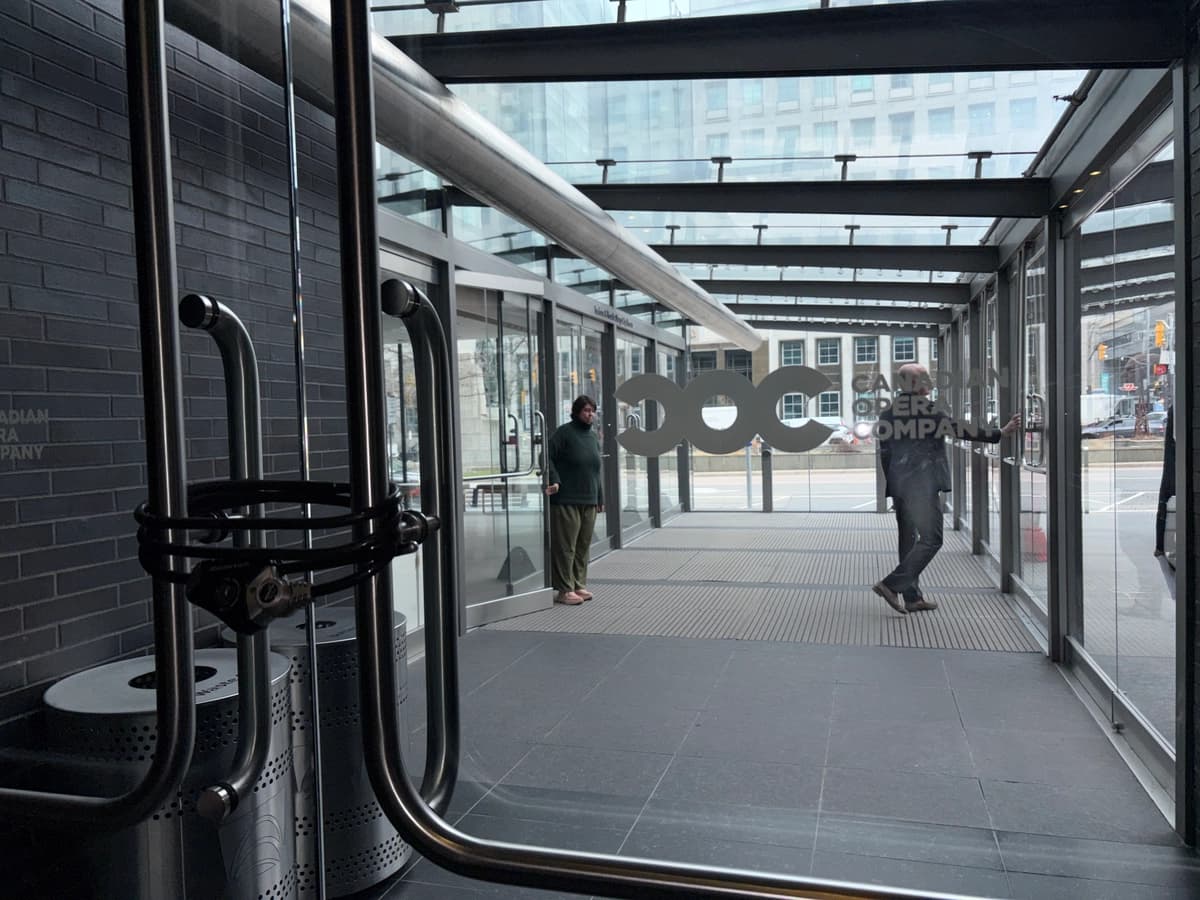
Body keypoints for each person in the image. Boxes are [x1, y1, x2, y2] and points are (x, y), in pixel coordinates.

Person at [873, 364, 1020, 615]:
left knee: (908, 541)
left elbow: (885, 452)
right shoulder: (926, 410)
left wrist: (894, 486)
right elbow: (959, 428)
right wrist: (1000, 432)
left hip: (901, 486)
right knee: (932, 539)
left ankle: (912, 597)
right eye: (925, 378)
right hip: (922, 486)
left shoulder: (888, 413)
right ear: (915, 384)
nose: (930, 382)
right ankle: (891, 585)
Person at [545, 395, 605, 605]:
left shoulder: (592, 437)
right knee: (566, 546)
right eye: (587, 410)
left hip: (588, 499)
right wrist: (555, 480)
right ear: (577, 412)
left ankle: (579, 585)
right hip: (566, 499)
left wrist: (599, 496)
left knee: (582, 545)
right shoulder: (565, 433)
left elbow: (595, 470)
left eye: (593, 411)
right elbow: (546, 455)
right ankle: (564, 590)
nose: (590, 414)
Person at [1154, 404, 1175, 558]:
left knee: (1164, 501)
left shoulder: (1174, 409)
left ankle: (1160, 545)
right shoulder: (1177, 409)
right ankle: (1161, 545)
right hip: (1174, 464)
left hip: (1171, 464)